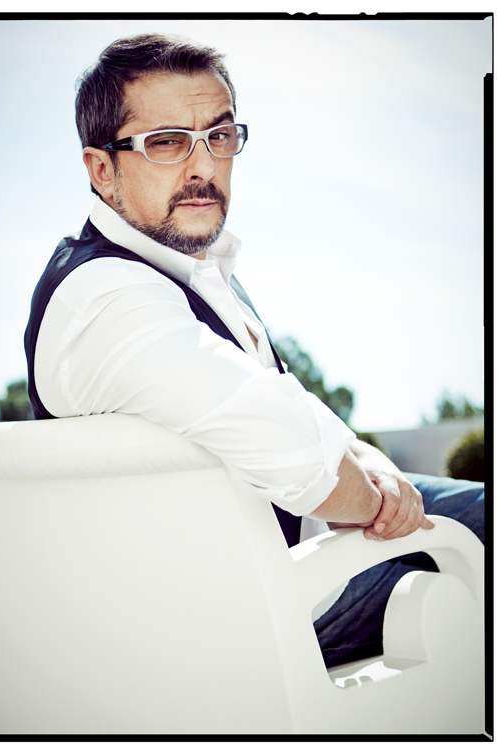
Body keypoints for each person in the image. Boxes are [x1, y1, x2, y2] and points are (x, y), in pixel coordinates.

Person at [24, 33, 484, 668]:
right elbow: (296, 457)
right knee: (476, 576)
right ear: (102, 169)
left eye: (218, 136)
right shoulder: (106, 297)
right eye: (167, 142)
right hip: (254, 617)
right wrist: (383, 505)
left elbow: (297, 410)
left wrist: (376, 466)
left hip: (289, 565)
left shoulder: (194, 272)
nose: (203, 167)